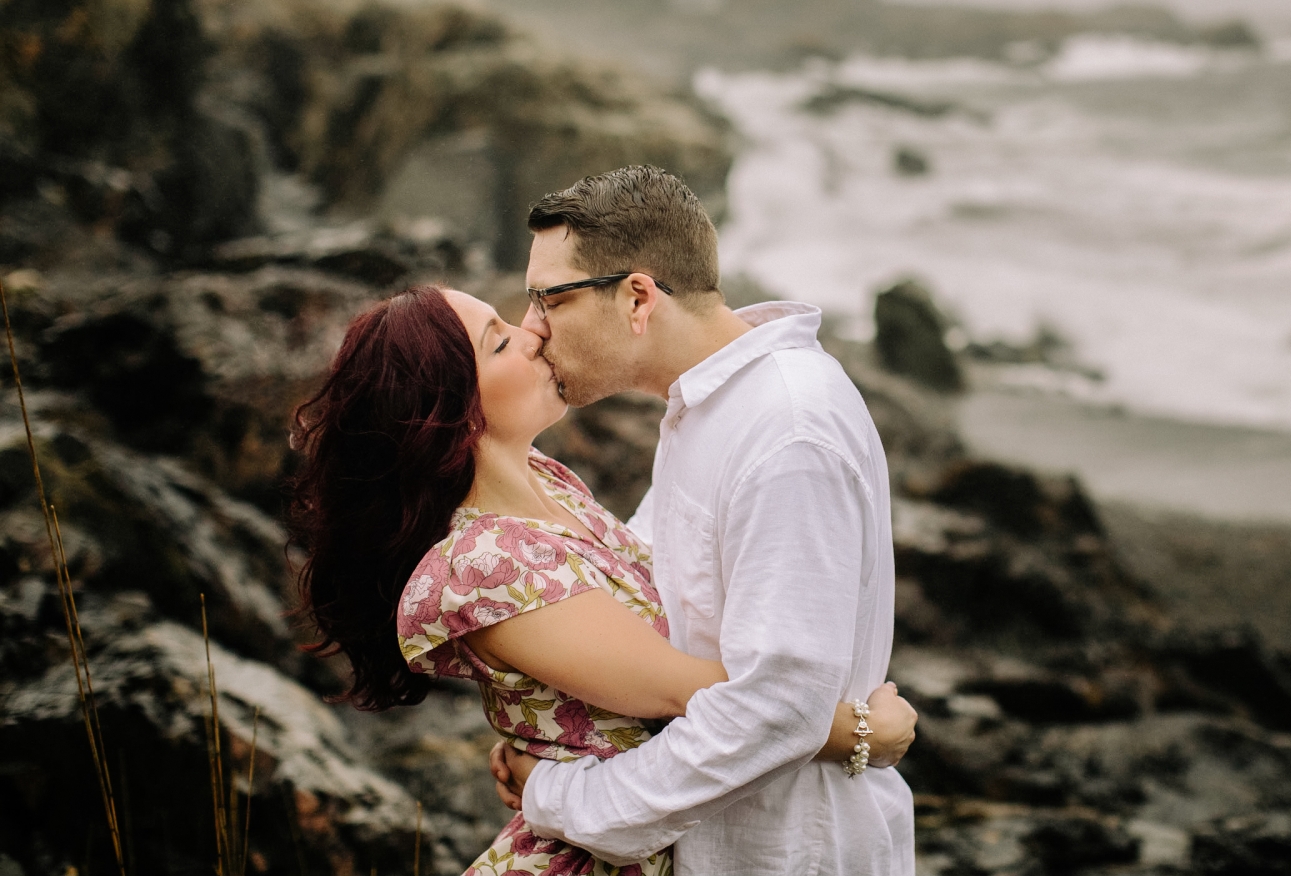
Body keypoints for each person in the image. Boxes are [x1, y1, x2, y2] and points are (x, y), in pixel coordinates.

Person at [287, 284, 917, 876]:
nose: (533, 331)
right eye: (500, 341)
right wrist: (861, 733)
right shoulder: (483, 566)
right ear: (449, 411)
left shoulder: (546, 484)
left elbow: (659, 553)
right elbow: (691, 695)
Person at [486, 165, 916, 875]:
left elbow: (773, 708)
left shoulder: (786, 430)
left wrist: (562, 797)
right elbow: (645, 591)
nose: (532, 328)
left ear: (637, 297)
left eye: (549, 299)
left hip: (785, 852)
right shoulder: (710, 409)